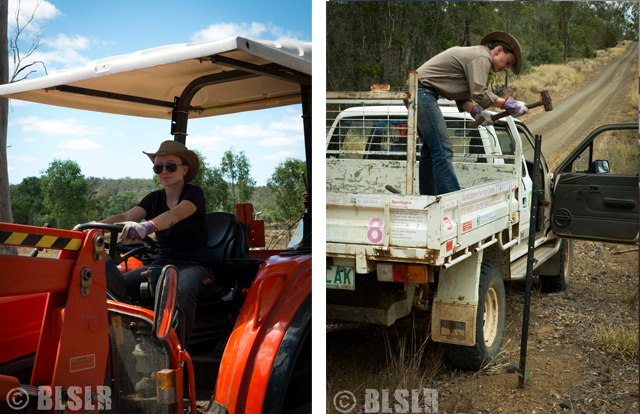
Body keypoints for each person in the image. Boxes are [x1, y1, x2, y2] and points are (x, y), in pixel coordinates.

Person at [102, 140, 209, 349]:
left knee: (180, 288)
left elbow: (175, 214)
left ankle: (175, 355)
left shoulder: (194, 194)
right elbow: (126, 215)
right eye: (158, 167)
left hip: (192, 265)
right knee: (115, 286)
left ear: (184, 169)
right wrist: (94, 226)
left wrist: (147, 226)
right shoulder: (154, 198)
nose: (164, 171)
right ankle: (126, 347)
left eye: (170, 166)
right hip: (160, 264)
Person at [404, 31, 527, 196]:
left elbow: (463, 98)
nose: (505, 69)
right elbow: (479, 93)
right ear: (497, 51)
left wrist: (478, 113)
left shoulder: (477, 58)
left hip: (416, 90)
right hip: (421, 92)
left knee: (430, 149)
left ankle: (428, 197)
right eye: (508, 62)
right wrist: (509, 104)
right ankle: (451, 198)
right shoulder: (481, 57)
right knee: (443, 148)